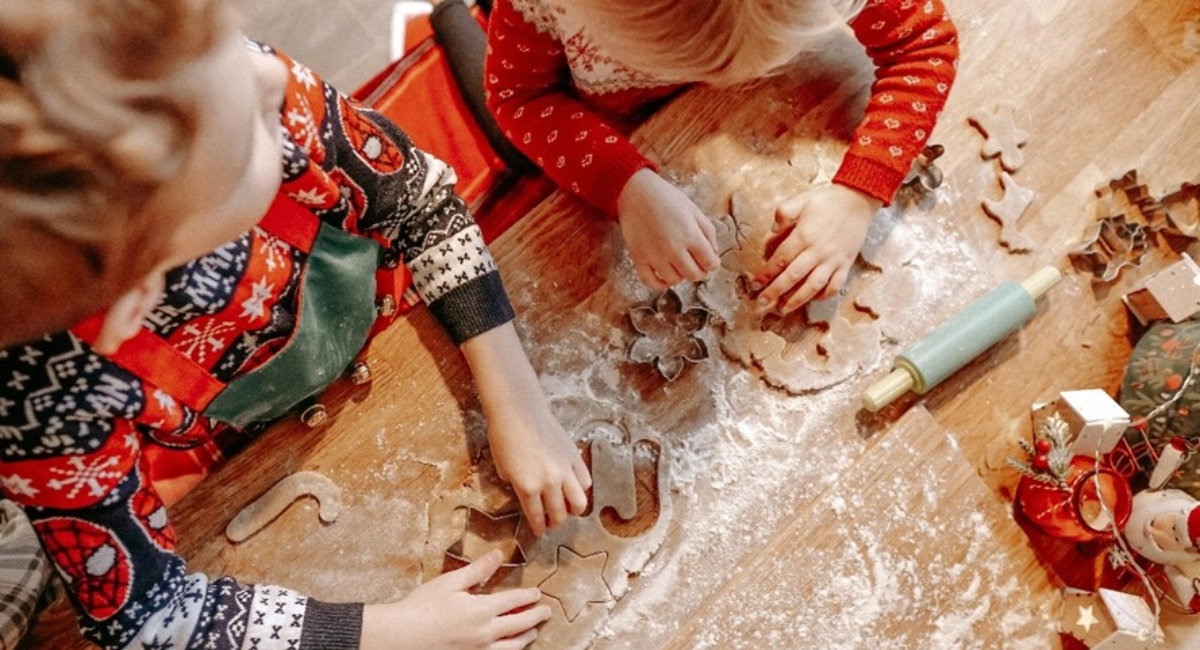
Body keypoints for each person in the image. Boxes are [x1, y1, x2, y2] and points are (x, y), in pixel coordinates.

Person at [0, 0, 591, 648]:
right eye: (250, 127)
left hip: (394, 315)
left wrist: (518, 405)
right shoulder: (43, 405)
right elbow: (149, 618)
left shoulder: (224, 77)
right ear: (136, 297)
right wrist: (387, 632)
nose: (274, 79)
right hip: (248, 432)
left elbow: (421, 207)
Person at [484, 0, 959, 313]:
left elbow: (924, 44)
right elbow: (518, 98)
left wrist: (859, 193)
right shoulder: (543, 8)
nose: (725, 81)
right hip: (593, 109)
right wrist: (625, 185)